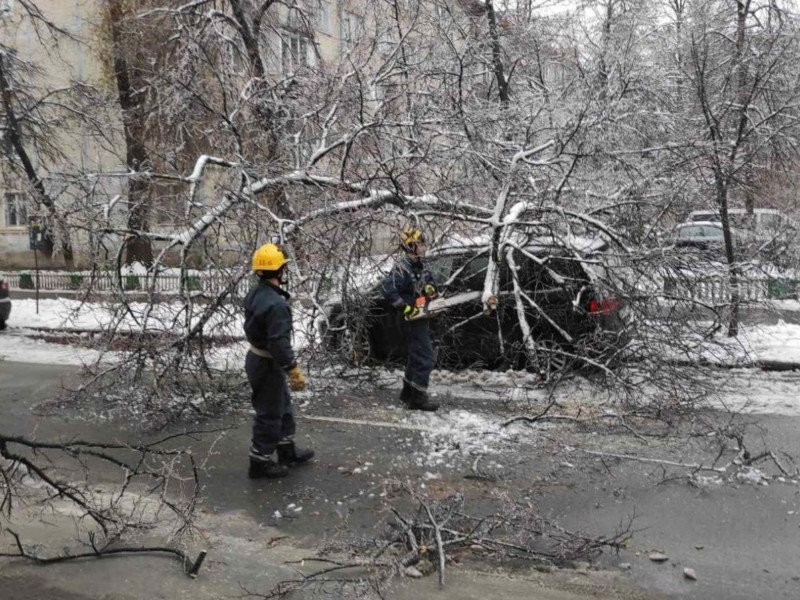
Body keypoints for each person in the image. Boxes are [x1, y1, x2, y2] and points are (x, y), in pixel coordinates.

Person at [243, 243, 314, 479]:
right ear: (280, 271)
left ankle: (286, 450)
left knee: (282, 405)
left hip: (259, 359)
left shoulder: (257, 293)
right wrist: (292, 369)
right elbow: (278, 343)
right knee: (269, 412)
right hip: (267, 363)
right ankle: (259, 461)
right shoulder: (277, 305)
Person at [381, 227, 440, 412]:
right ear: (410, 246)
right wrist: (405, 307)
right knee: (425, 358)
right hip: (408, 318)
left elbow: (428, 281)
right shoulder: (402, 268)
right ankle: (418, 399)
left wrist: (430, 288)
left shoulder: (421, 264)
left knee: (417, 355)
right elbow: (387, 289)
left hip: (419, 314)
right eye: (420, 244)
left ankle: (407, 392)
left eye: (423, 244)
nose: (423, 247)